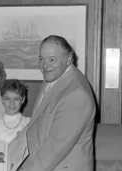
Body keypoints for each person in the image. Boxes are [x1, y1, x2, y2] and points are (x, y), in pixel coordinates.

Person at [20, 35, 96, 171]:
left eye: (52, 59)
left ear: (69, 59)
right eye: (41, 59)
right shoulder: (55, 77)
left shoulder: (76, 95)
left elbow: (55, 149)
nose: (44, 65)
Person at [0, 79, 30, 143]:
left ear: (23, 100)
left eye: (16, 99)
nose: (12, 103)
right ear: (2, 99)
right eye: (7, 98)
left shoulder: (28, 124)